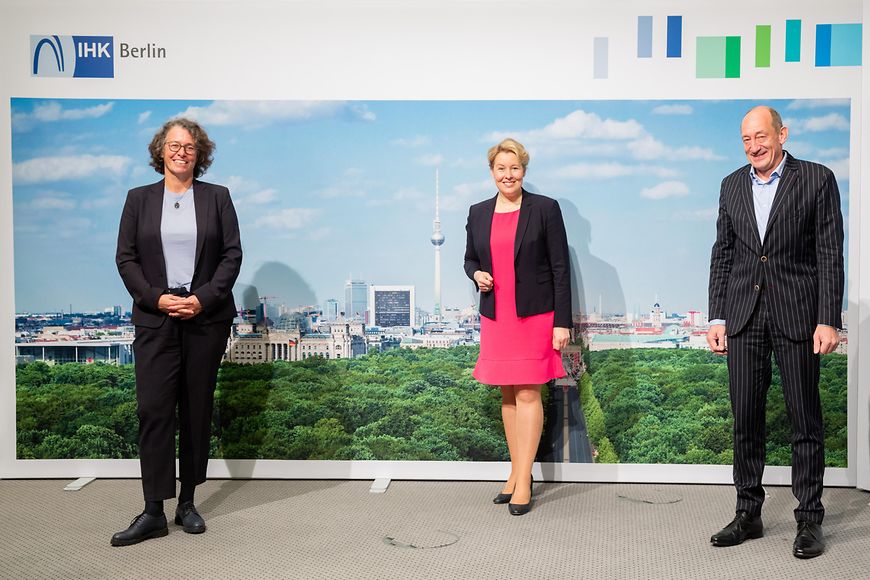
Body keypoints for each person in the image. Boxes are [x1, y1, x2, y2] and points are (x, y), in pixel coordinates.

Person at [707, 106, 844, 559]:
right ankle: (748, 512)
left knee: (805, 420)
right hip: (744, 317)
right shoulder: (730, 185)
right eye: (746, 139)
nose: (753, 146)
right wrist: (717, 317)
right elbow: (723, 254)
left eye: (761, 136)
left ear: (782, 134)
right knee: (746, 418)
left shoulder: (817, 179)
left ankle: (809, 519)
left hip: (799, 317)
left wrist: (828, 318)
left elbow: (829, 253)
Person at [112, 118, 242, 546]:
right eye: (173, 145)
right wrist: (157, 298)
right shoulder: (138, 199)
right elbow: (126, 258)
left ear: (199, 153)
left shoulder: (217, 198)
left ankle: (187, 503)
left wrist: (203, 298)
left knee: (196, 409)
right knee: (153, 410)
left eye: (188, 146)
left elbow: (231, 254)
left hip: (205, 318)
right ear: (160, 151)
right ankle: (153, 510)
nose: (181, 152)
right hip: (156, 317)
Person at [464, 138, 571, 516]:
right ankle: (515, 472)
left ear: (524, 170)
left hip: (535, 315)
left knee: (528, 394)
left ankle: (524, 479)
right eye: (501, 169)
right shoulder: (477, 213)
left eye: (514, 168)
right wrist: (476, 274)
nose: (508, 175)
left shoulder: (545, 209)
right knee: (508, 396)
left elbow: (561, 268)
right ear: (492, 172)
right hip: (497, 316)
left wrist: (562, 322)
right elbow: (470, 259)